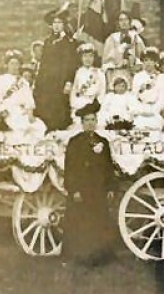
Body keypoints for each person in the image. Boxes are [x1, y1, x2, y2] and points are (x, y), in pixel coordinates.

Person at [61, 99, 118, 267]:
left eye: (93, 120)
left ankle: (98, 258)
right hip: (81, 189)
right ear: (82, 123)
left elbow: (108, 166)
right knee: (79, 221)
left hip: (98, 188)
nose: (90, 123)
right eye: (87, 120)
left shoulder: (103, 142)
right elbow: (70, 167)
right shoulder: (75, 142)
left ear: (97, 122)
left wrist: (109, 187)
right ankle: (78, 256)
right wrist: (74, 189)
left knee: (99, 221)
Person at [33, 2, 81, 132]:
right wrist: (39, 83)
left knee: (61, 109)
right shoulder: (48, 41)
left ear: (64, 25)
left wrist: (69, 81)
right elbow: (44, 64)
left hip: (61, 81)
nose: (57, 26)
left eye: (59, 23)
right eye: (54, 23)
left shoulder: (69, 42)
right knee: (47, 109)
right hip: (48, 83)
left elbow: (72, 64)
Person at [0, 49, 46, 144]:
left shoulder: (23, 82)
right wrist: (1, 111)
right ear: (7, 65)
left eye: (17, 64)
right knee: (17, 128)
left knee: (39, 126)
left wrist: (30, 113)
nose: (14, 67)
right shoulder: (0, 80)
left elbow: (29, 101)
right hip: (7, 111)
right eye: (12, 64)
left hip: (21, 111)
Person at [101, 11, 145, 91]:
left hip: (132, 74)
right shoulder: (112, 38)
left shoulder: (136, 38)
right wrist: (117, 63)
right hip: (117, 73)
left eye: (126, 19)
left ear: (130, 21)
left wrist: (135, 64)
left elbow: (142, 57)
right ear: (118, 23)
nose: (124, 22)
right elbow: (106, 61)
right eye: (121, 20)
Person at [70, 43, 106, 126]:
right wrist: (75, 105)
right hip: (80, 104)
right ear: (81, 58)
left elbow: (102, 91)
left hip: (94, 104)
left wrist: (97, 105)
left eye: (90, 56)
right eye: (85, 56)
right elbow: (74, 91)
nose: (88, 59)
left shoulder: (99, 72)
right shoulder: (78, 72)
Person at [131, 47, 164, 130]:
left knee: (157, 128)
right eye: (145, 60)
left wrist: (154, 111)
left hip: (156, 111)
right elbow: (134, 96)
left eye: (151, 60)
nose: (148, 63)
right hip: (141, 110)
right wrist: (140, 111)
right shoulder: (138, 77)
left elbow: (163, 98)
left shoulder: (161, 77)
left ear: (156, 62)